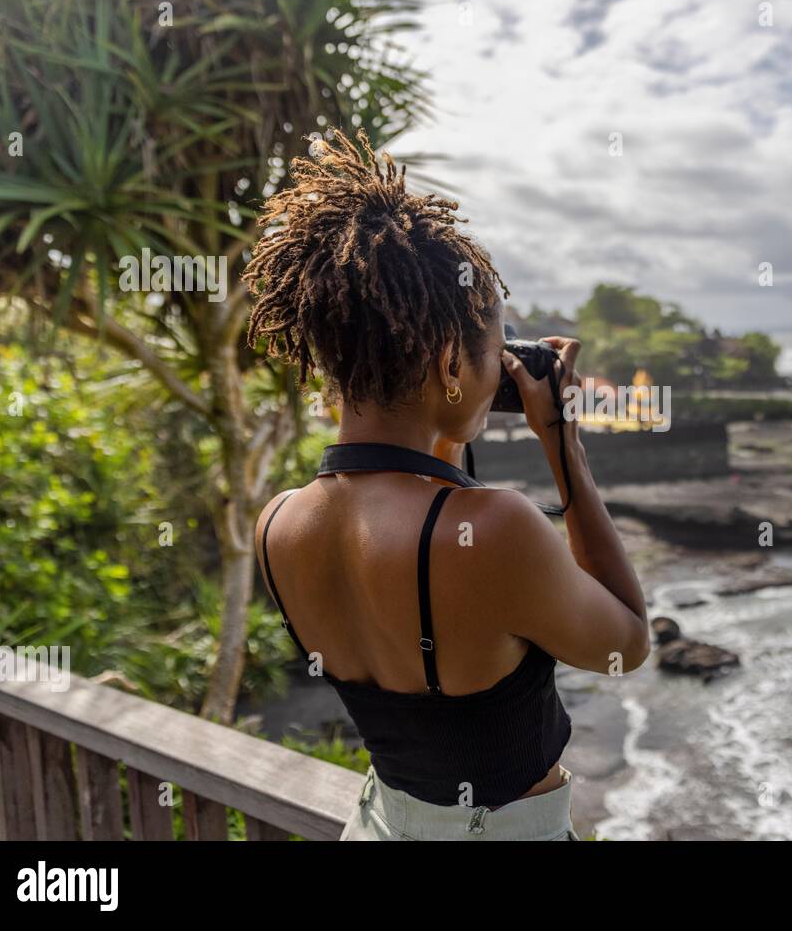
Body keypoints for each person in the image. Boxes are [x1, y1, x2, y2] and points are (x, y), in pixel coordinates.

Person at [244, 129, 649, 840]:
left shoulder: (277, 523)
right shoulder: (493, 528)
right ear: (447, 362)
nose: (502, 373)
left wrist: (447, 423)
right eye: (494, 351)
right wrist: (563, 442)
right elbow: (628, 642)